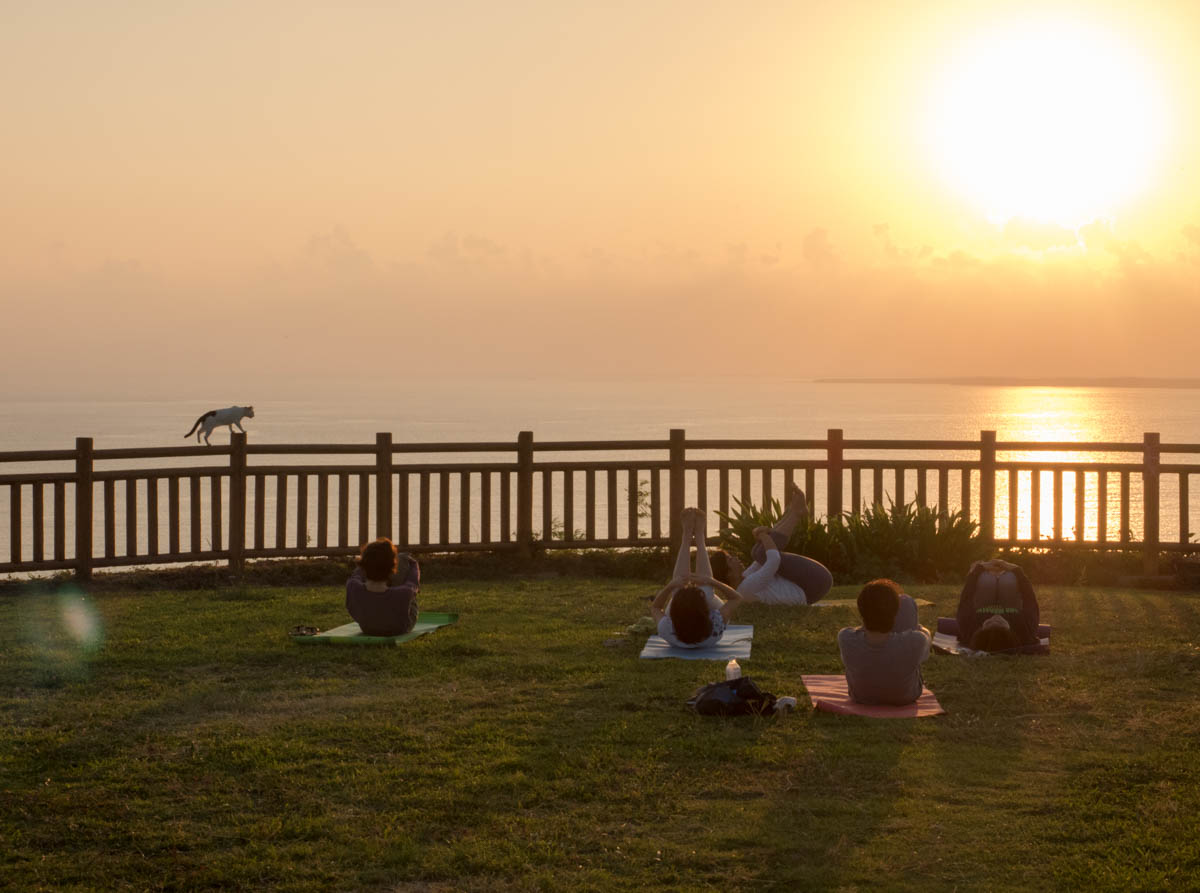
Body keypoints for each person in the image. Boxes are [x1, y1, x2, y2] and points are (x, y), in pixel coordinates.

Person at [709, 484, 834, 605]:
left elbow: (762, 556)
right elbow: (774, 560)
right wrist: (763, 535)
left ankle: (794, 513)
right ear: (729, 574)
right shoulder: (746, 588)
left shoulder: (745, 581)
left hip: (811, 584)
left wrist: (762, 536)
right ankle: (796, 514)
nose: (735, 558)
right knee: (762, 554)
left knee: (757, 553)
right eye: (730, 560)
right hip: (814, 585)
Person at [651, 507, 744, 648]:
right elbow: (736, 598)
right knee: (705, 591)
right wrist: (709, 581)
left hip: (685, 619)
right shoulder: (715, 626)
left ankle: (687, 537)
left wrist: (672, 585)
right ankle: (700, 538)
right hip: (708, 624)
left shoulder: (667, 629)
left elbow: (656, 608)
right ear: (706, 611)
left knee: (678, 588)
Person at [837, 578, 931, 705]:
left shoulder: (845, 637)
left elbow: (861, 630)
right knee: (906, 601)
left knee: (904, 600)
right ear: (895, 613)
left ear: (861, 611)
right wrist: (917, 628)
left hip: (860, 696)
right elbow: (927, 637)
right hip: (905, 697)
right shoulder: (916, 640)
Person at [955, 558, 1039, 650]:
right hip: (1011, 604)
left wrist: (977, 570)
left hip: (982, 604)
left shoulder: (968, 631)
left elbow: (966, 599)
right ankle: (999, 576)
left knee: (985, 578)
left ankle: (993, 575)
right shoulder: (1026, 633)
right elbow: (1029, 599)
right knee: (1009, 578)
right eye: (1000, 623)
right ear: (1009, 631)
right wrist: (1017, 570)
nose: (995, 617)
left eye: (989, 623)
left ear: (981, 630)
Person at [345, 537, 420, 636]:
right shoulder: (404, 593)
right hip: (399, 628)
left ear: (363, 565)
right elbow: (413, 582)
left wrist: (369, 561)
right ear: (391, 569)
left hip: (368, 628)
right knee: (403, 557)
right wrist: (414, 564)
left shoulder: (353, 586)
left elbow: (357, 574)